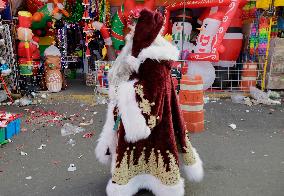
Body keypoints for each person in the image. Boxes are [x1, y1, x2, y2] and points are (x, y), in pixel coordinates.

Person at [95, 9, 204, 196]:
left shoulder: (153, 58)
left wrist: (125, 91)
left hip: (148, 118)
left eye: (133, 26)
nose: (130, 30)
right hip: (139, 114)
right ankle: (137, 179)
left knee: (154, 144)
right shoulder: (139, 51)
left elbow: (152, 96)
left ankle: (152, 181)